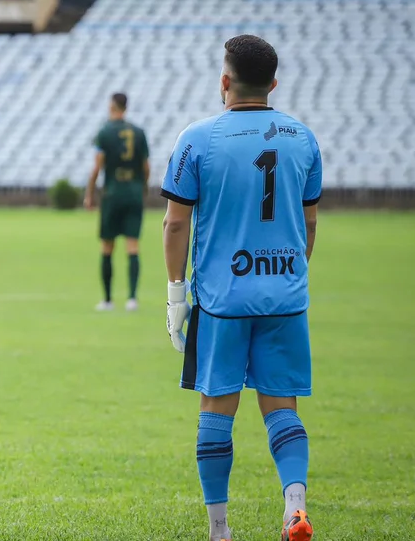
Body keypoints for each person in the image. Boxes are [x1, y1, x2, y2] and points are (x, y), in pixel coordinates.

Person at [161, 35, 322, 541]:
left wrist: (175, 296)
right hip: (284, 299)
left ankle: (220, 530)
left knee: (216, 410)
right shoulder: (303, 138)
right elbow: (310, 222)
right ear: (273, 84)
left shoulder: (197, 138)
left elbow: (174, 224)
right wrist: (288, 275)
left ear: (224, 82)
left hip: (222, 300)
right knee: (282, 407)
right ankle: (294, 508)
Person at [84, 93, 150, 311]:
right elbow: (146, 167)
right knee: (133, 245)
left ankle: (108, 300)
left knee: (107, 246)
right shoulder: (139, 133)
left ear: (111, 105)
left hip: (112, 193)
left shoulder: (104, 132)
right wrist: (142, 189)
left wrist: (90, 194)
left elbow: (97, 167)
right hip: (133, 192)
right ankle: (132, 299)